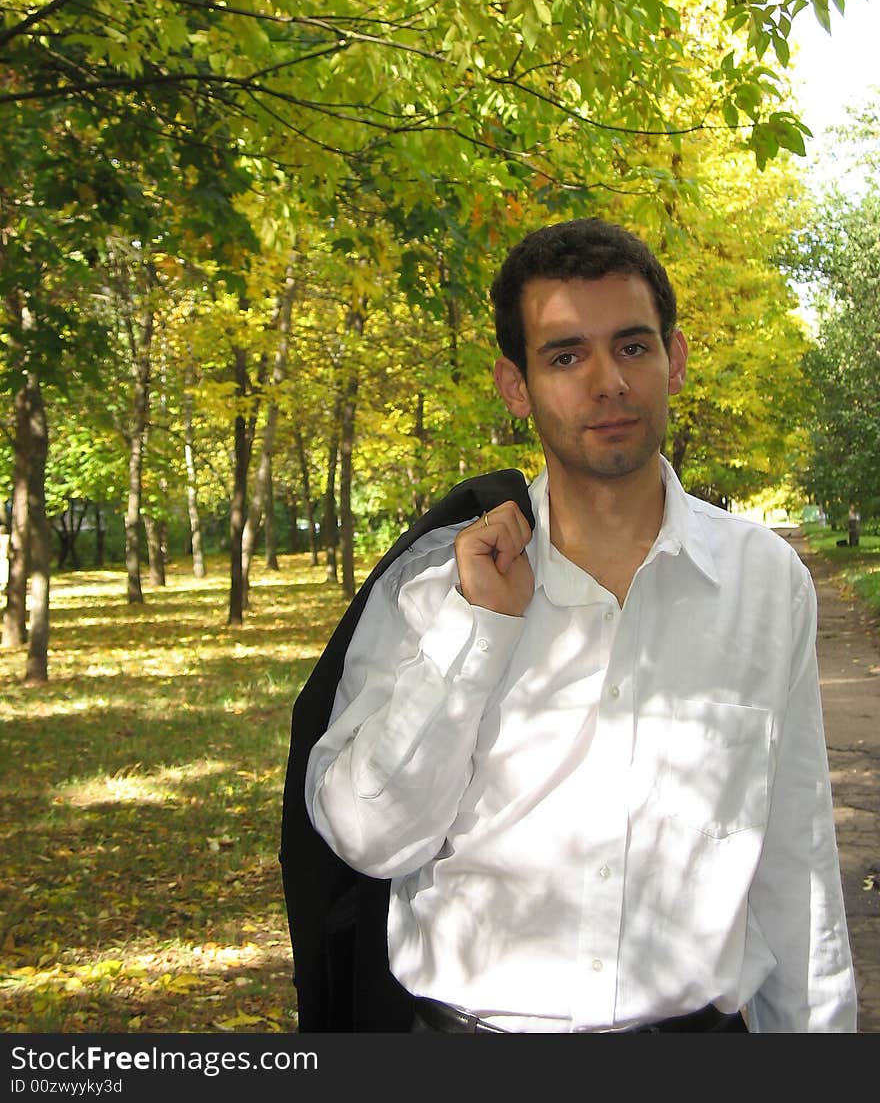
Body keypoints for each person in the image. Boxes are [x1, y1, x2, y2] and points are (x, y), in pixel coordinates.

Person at [303, 217, 857, 1033]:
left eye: (632, 346)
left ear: (675, 358)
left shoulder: (765, 583)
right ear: (516, 385)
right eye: (566, 355)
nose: (608, 381)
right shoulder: (432, 590)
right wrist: (475, 632)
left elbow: (794, 863)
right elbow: (366, 838)